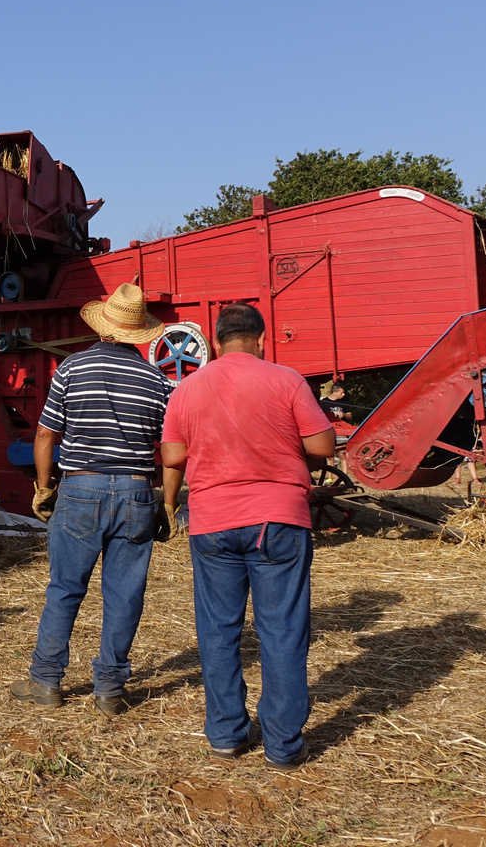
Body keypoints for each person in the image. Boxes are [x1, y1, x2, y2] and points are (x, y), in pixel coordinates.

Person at [159, 302, 334, 768]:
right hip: (278, 520)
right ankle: (283, 745)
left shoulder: (188, 389)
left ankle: (226, 734)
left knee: (218, 630)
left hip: (212, 522)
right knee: (283, 631)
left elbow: (173, 456)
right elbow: (321, 445)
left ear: (215, 343)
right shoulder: (287, 379)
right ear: (261, 339)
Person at [9, 283, 179, 715]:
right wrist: (168, 502)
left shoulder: (71, 369)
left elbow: (46, 434)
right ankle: (109, 690)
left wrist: (45, 487)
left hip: (80, 488)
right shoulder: (159, 382)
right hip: (137, 491)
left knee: (65, 588)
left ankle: (46, 682)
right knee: (125, 594)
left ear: (103, 325)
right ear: (140, 332)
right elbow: (174, 450)